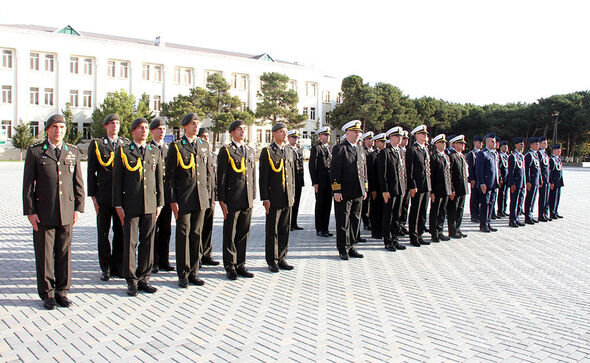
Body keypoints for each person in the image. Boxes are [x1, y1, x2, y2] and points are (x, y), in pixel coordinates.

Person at [23, 114, 85, 309]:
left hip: (66, 211)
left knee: (64, 253)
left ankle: (62, 291)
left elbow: (78, 183)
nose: (59, 130)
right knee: (44, 254)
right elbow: (28, 186)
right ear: (47, 130)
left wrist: (78, 208)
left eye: (62, 127)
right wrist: (30, 211)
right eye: (55, 127)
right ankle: (47, 293)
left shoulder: (72, 151)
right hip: (43, 212)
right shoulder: (35, 152)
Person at [113, 118, 164, 296]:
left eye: (145, 128)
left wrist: (160, 203)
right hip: (130, 205)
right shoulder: (124, 151)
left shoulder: (154, 151)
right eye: (140, 128)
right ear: (133, 131)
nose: (144, 131)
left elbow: (159, 180)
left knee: (148, 243)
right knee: (130, 243)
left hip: (150, 203)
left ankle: (144, 278)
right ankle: (131, 280)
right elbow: (117, 180)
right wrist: (118, 204)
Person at [165, 113, 210, 288]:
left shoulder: (203, 145)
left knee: (196, 234)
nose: (196, 126)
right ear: (185, 126)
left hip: (200, 197)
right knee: (183, 235)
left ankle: (194, 271)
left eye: (197, 123)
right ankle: (182, 274)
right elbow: (169, 177)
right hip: (183, 199)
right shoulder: (177, 147)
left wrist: (209, 196)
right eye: (192, 124)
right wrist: (172, 200)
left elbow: (208, 174)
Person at [87, 113, 128, 281]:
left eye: (117, 123)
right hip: (103, 197)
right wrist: (93, 197)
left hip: (121, 199)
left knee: (120, 232)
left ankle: (118, 266)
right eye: (111, 123)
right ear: (105, 126)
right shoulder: (97, 144)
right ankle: (106, 267)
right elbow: (91, 172)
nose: (115, 126)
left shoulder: (125, 144)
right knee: (103, 233)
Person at [217, 120, 256, 280]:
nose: (242, 132)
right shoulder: (226, 151)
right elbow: (221, 177)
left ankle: (241, 263)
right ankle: (230, 265)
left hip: (247, 199)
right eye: (239, 129)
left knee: (243, 233)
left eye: (244, 129)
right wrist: (222, 200)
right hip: (232, 199)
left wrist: (253, 195)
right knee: (229, 233)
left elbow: (252, 175)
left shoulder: (250, 150)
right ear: (232, 132)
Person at [259, 122, 296, 273]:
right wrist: (265, 198)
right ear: (274, 134)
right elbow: (263, 178)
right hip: (274, 198)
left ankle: (282, 257)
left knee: (284, 229)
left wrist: (293, 194)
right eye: (281, 132)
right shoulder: (267, 151)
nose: (284, 134)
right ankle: (272, 260)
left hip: (287, 197)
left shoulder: (289, 150)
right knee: (272, 230)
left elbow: (291, 175)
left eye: (285, 132)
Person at [330, 120, 368, 260]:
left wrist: (365, 188)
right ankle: (342, 248)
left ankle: (351, 245)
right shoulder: (340, 149)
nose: (358, 134)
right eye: (355, 132)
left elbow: (364, 170)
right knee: (342, 221)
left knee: (355, 220)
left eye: (359, 132)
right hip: (344, 192)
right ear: (347, 133)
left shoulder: (359, 148)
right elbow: (334, 172)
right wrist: (336, 191)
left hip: (358, 191)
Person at [149, 117, 174, 273]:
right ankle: (153, 261)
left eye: (163, 129)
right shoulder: (148, 149)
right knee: (153, 230)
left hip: (166, 195)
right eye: (158, 129)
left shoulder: (168, 149)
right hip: (153, 195)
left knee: (166, 229)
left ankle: (164, 260)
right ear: (152, 131)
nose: (161, 131)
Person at [377, 126, 406, 251]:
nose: (400, 139)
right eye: (397, 136)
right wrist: (384, 190)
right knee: (388, 216)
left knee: (397, 216)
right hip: (390, 190)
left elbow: (403, 171)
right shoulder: (385, 152)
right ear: (391, 137)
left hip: (399, 189)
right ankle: (388, 241)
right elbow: (382, 174)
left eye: (401, 137)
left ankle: (395, 239)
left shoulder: (400, 152)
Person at [198, 127, 220, 266]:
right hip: (200, 197)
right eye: (203, 137)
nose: (206, 139)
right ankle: (197, 256)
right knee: (198, 228)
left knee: (208, 227)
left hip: (211, 196)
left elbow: (215, 177)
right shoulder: (197, 154)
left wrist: (216, 196)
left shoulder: (213, 156)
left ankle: (207, 254)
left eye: (207, 136)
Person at [406, 125, 432, 247]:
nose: (425, 136)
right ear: (416, 135)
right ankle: (413, 236)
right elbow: (409, 170)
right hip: (417, 186)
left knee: (423, 211)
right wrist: (412, 185)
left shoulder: (425, 149)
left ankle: (420, 234)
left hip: (426, 185)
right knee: (415, 211)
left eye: (426, 134)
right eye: (422, 134)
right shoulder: (412, 149)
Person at [309, 127, 333, 237]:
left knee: (328, 205)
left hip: (330, 182)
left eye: (328, 135)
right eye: (324, 135)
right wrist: (315, 182)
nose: (327, 137)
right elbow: (312, 166)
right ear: (320, 136)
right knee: (320, 205)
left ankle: (326, 228)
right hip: (320, 182)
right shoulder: (316, 148)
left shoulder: (331, 148)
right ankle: (319, 228)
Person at [429, 134, 452, 242]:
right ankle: (434, 233)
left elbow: (449, 174)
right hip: (437, 189)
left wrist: (451, 189)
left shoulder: (446, 157)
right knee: (435, 211)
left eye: (444, 143)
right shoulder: (433, 157)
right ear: (436, 144)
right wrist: (432, 191)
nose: (444, 144)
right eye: (441, 142)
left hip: (446, 189)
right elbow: (431, 175)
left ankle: (440, 230)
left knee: (442, 211)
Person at [476, 132, 499, 233]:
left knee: (491, 204)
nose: (494, 143)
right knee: (485, 204)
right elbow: (479, 170)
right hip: (486, 184)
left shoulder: (493, 154)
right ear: (487, 142)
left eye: (494, 142)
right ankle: (483, 224)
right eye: (492, 142)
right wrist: (482, 183)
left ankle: (488, 222)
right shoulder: (482, 153)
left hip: (493, 183)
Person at [446, 135, 469, 238]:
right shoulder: (452, 156)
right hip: (455, 188)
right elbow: (449, 174)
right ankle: (452, 230)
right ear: (454, 144)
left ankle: (458, 228)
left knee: (460, 209)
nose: (463, 145)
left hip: (463, 187)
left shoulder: (462, 156)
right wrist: (452, 189)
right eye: (460, 143)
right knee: (453, 210)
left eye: (463, 143)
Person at [368, 133, 386, 240]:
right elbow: (371, 174)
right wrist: (373, 189)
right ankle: (375, 231)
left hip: (383, 187)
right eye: (381, 142)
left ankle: (382, 230)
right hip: (376, 187)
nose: (384, 144)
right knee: (375, 210)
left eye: (384, 142)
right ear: (376, 143)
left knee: (383, 210)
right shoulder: (372, 156)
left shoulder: (386, 154)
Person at [507, 137, 527, 227]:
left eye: (523, 145)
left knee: (520, 201)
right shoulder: (512, 156)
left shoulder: (522, 156)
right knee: (514, 201)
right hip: (515, 183)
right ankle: (512, 219)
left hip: (522, 183)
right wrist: (512, 183)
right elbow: (510, 172)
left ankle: (517, 217)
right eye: (520, 144)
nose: (522, 146)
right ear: (516, 145)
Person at [287, 130, 305, 231]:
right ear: (289, 138)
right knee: (291, 203)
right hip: (291, 180)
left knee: (297, 202)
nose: (295, 139)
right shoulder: (287, 149)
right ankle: (288, 223)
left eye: (296, 138)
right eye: (293, 137)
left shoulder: (299, 150)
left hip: (298, 180)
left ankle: (294, 222)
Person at [524, 137, 541, 224]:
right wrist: (528, 181)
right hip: (531, 181)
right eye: (535, 144)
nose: (537, 145)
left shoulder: (536, 154)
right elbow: (527, 169)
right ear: (531, 145)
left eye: (538, 144)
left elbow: (538, 169)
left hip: (536, 180)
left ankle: (530, 214)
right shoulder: (529, 155)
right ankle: (527, 216)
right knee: (529, 198)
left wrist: (540, 180)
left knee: (533, 198)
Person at [466, 135, 483, 223]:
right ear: (474, 143)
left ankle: (479, 214)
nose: (480, 144)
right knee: (474, 198)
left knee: (480, 198)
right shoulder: (472, 154)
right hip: (475, 179)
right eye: (478, 142)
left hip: (480, 179)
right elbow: (470, 168)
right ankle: (474, 215)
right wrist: (472, 178)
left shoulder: (481, 153)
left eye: (481, 142)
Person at [360, 131, 374, 231]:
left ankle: (370, 220)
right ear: (365, 141)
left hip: (373, 181)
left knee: (372, 203)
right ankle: (366, 222)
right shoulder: (363, 151)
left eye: (372, 139)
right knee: (366, 204)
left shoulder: (374, 151)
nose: (371, 141)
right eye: (369, 139)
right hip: (366, 180)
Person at [537, 136, 551, 222]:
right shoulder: (538, 153)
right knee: (542, 197)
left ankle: (545, 213)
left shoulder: (545, 153)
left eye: (546, 143)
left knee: (546, 197)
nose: (546, 144)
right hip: (542, 178)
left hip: (547, 178)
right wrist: (540, 179)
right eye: (544, 143)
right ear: (540, 144)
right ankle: (541, 214)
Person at [399, 130, 410, 235]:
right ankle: (398, 226)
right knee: (399, 206)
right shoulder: (398, 151)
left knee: (405, 206)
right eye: (404, 138)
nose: (406, 140)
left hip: (406, 183)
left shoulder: (407, 151)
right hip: (399, 184)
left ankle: (402, 224)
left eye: (407, 138)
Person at [549, 144, 564, 219]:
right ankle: (552, 212)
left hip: (559, 181)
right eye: (558, 150)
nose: (559, 151)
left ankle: (556, 211)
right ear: (554, 151)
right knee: (553, 197)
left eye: (560, 150)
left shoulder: (558, 159)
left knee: (557, 197)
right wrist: (551, 182)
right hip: (554, 181)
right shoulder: (551, 159)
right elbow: (550, 172)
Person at [496, 141, 510, 218]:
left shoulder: (507, 156)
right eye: (504, 146)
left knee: (505, 195)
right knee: (501, 194)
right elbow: (499, 168)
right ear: (501, 147)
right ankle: (500, 210)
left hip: (507, 178)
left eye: (506, 146)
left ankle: (504, 209)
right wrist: (500, 178)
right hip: (502, 178)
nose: (506, 148)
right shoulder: (500, 156)